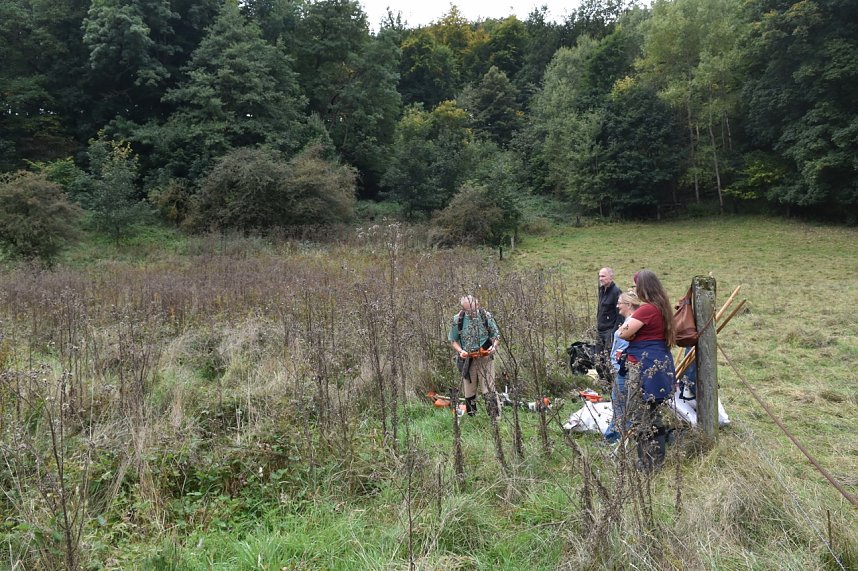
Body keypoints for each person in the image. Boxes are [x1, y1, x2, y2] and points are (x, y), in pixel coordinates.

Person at [618, 269, 676, 471]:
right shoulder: (661, 308)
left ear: (643, 287)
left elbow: (622, 333)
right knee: (652, 412)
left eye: (634, 286)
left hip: (645, 366)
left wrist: (626, 333)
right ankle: (655, 460)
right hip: (658, 364)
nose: (632, 290)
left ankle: (648, 463)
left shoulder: (646, 310)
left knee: (642, 413)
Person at [449, 295, 500, 417]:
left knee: (489, 390)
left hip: (485, 357)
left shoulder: (486, 316)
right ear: (463, 309)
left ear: (478, 304)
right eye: (468, 310)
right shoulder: (457, 320)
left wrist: (494, 347)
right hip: (468, 359)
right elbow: (453, 340)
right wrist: (461, 351)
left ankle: (495, 418)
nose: (472, 312)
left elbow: (496, 335)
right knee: (469, 391)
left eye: (474, 308)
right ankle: (472, 417)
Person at [603, 291, 641, 444]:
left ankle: (614, 438)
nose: (617, 306)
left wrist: (618, 364)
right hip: (621, 368)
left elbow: (626, 347)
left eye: (620, 303)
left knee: (619, 402)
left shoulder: (632, 322)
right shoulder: (629, 320)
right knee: (620, 402)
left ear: (629, 305)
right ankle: (620, 436)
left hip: (624, 369)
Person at [596, 267, 623, 378]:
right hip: (599, 329)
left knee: (608, 359)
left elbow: (620, 315)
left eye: (603, 276)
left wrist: (614, 333)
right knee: (598, 359)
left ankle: (611, 384)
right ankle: (603, 383)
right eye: (599, 276)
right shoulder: (602, 289)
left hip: (609, 330)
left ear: (611, 277)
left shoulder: (616, 292)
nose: (600, 278)